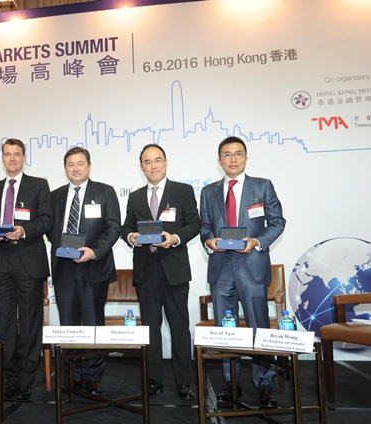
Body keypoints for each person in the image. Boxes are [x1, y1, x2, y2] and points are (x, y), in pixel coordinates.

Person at [199, 136, 286, 408]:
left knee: (259, 326)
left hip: (252, 267)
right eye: (227, 155)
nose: (233, 159)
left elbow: (277, 222)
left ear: (246, 158)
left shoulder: (262, 186)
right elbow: (204, 226)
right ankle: (231, 384)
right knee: (226, 330)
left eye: (238, 154)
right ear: (219, 161)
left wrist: (257, 241)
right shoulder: (208, 191)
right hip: (221, 266)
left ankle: (265, 385)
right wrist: (209, 240)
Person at [120, 143, 200, 400]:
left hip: (174, 268)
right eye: (147, 162)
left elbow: (194, 223)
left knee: (179, 327)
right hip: (146, 270)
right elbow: (126, 228)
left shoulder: (182, 190)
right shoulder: (134, 197)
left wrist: (174, 237)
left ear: (165, 163)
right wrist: (132, 236)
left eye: (157, 160)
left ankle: (184, 381)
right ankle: (153, 379)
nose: (153, 166)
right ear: (141, 166)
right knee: (150, 328)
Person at [0, 138, 53, 401]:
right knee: (4, 323)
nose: (12, 159)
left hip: (28, 261)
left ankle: (25, 379)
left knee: (30, 323)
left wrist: (24, 230)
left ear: (23, 158)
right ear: (2, 158)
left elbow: (46, 219)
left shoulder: (39, 185)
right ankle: (8, 377)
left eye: (17, 154)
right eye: (7, 154)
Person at [47, 147, 121, 395]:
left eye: (80, 163)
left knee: (92, 325)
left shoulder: (105, 192)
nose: (75, 168)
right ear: (65, 168)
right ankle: (70, 376)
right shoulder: (55, 196)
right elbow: (49, 229)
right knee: (68, 325)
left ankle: (91, 378)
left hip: (94, 266)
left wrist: (93, 250)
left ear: (89, 166)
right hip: (64, 268)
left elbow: (113, 228)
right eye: (70, 164)